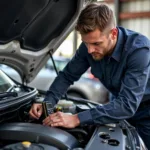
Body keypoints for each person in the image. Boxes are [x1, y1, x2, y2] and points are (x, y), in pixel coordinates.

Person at [29, 2, 150, 149]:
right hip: (116, 105)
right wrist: (47, 103)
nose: (91, 50)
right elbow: (67, 76)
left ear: (113, 34)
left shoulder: (138, 50)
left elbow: (127, 105)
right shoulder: (88, 47)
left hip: (146, 113)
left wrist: (77, 119)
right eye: (86, 43)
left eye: (96, 43)